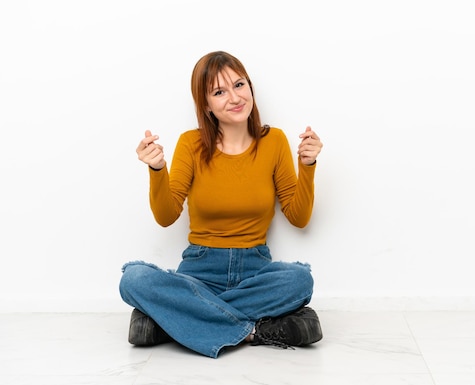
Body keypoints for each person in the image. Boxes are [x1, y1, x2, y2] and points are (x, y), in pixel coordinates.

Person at [118, 51, 324, 359]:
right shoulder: (191, 144)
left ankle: (174, 320)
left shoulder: (275, 141)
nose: (234, 97)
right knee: (133, 279)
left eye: (239, 85)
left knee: (299, 280)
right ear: (206, 105)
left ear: (250, 87)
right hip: (199, 271)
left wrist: (307, 165)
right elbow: (166, 216)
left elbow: (299, 217)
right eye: (219, 92)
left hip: (255, 270)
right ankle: (253, 331)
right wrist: (158, 170)